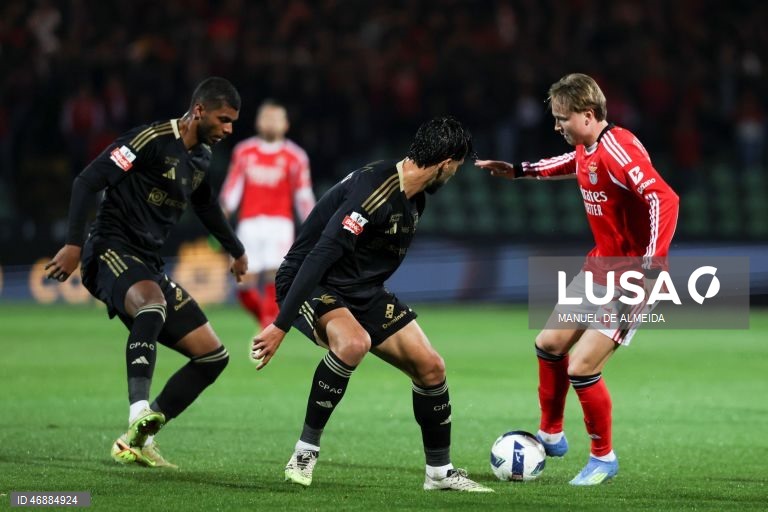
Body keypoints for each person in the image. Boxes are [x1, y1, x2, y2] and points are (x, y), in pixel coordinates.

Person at [251, 116, 493, 492]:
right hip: (313, 280)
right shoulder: (375, 190)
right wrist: (280, 325)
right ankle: (304, 451)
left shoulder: (415, 198)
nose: (455, 174)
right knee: (353, 343)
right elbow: (320, 254)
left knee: (431, 367)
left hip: (362, 289)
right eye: (457, 167)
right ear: (445, 163)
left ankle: (439, 473)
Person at [476, 73, 679, 485]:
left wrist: (651, 264)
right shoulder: (590, 147)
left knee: (582, 367)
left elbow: (664, 197)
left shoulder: (619, 150)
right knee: (548, 344)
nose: (556, 126)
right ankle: (551, 434)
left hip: (632, 278)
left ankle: (603, 458)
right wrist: (520, 171)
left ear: (588, 115)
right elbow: (572, 163)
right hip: (600, 267)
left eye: (562, 118)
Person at [45, 77, 248, 469]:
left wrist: (235, 249)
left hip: (148, 262)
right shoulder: (150, 140)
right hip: (109, 249)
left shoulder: (201, 158)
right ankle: (138, 410)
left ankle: (138, 439)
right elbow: (87, 181)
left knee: (212, 357)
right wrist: (73, 246)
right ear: (199, 110)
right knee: (152, 306)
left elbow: (205, 205)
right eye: (224, 120)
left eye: (232, 122)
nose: (228, 129)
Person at [220, 99, 315, 331]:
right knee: (242, 282)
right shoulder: (244, 151)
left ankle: (267, 327)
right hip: (249, 224)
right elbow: (232, 187)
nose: (271, 122)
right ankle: (267, 321)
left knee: (276, 277)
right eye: (266, 117)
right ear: (258, 122)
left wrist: (314, 225)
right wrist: (222, 215)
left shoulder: (296, 156)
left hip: (279, 224)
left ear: (286, 124)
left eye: (276, 118)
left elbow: (303, 195)